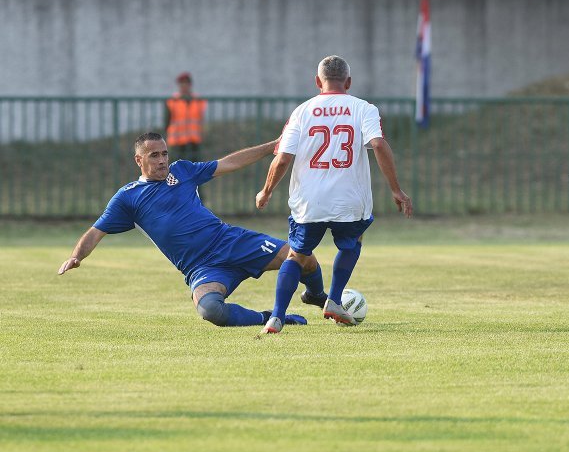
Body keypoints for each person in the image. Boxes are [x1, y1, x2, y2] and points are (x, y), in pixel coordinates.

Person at [57, 132, 324, 328]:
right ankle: (270, 318)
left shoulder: (182, 171)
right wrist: (77, 256)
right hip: (202, 267)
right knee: (210, 310)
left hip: (230, 241)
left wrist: (270, 147)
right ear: (138, 159)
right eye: (154, 155)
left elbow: (228, 163)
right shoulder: (128, 197)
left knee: (304, 258)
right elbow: (95, 231)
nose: (162, 160)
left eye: (164, 153)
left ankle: (319, 296)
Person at [255, 55, 413, 335]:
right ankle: (334, 300)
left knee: (296, 255)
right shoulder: (363, 108)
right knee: (352, 243)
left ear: (318, 81)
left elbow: (282, 158)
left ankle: (276, 317)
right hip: (349, 200)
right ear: (349, 82)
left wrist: (266, 190)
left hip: (309, 201)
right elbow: (377, 143)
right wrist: (395, 189)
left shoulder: (302, 111)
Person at [165, 72, 206, 162]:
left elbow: (201, 120)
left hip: (194, 141)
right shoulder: (172, 101)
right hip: (177, 142)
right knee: (177, 170)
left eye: (186, 84)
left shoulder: (199, 101)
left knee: (195, 169)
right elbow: (167, 121)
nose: (184, 86)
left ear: (190, 85)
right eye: (182, 84)